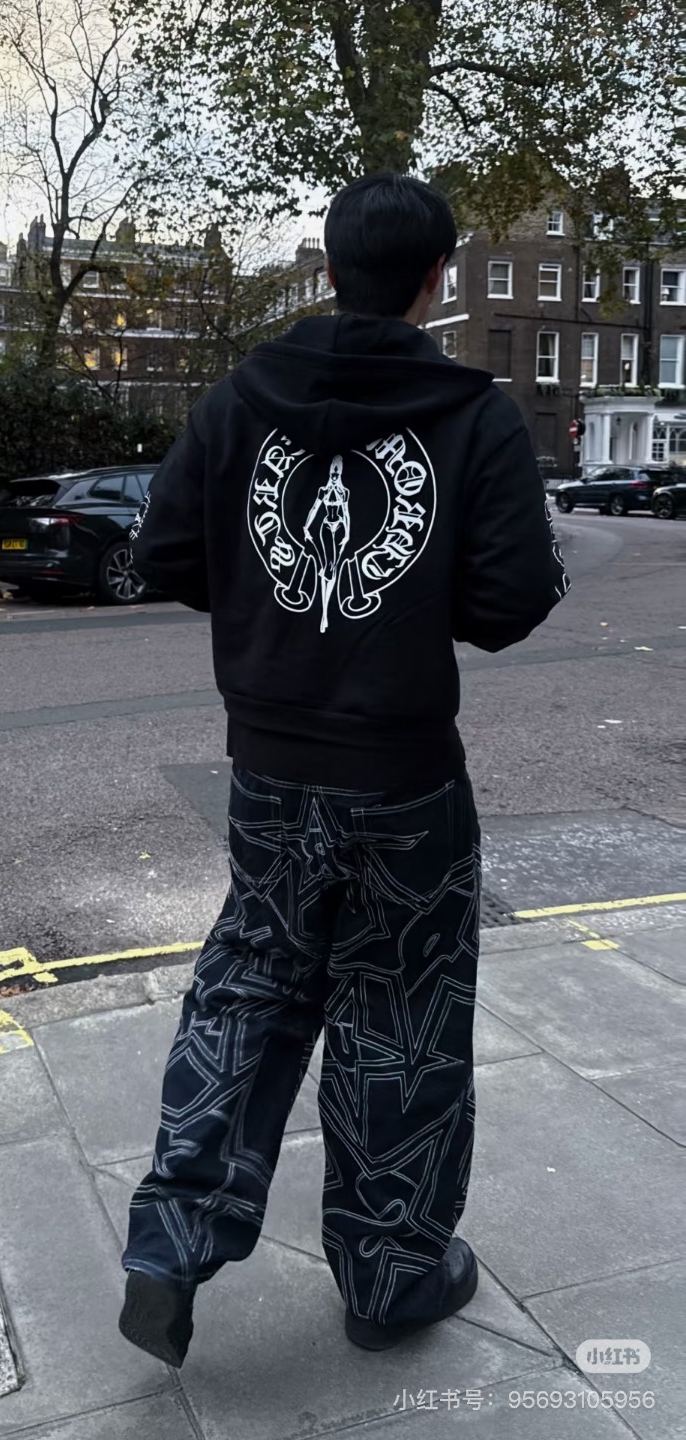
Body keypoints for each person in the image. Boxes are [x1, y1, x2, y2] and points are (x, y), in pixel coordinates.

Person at [119, 172, 569, 1367]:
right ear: (437, 279)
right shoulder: (473, 416)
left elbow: (164, 550)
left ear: (328, 271)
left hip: (269, 770)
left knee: (249, 985)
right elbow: (513, 600)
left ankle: (171, 1243)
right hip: (407, 780)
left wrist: (268, 613)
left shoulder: (238, 400)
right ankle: (391, 1275)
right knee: (401, 1018)